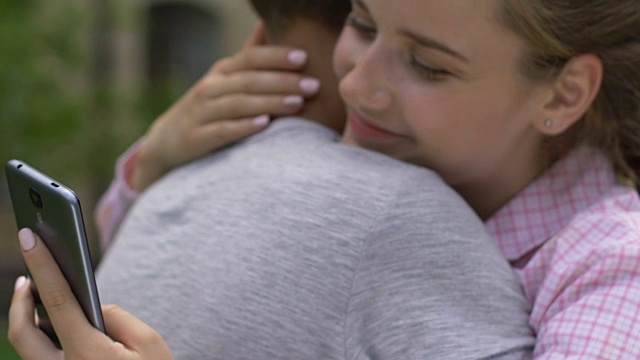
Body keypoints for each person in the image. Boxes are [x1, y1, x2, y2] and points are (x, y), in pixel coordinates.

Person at [10, 0, 640, 358]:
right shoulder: (378, 182)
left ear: (566, 92)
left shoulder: (614, 266)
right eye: (362, 24)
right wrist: (158, 162)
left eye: (427, 66)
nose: (356, 84)